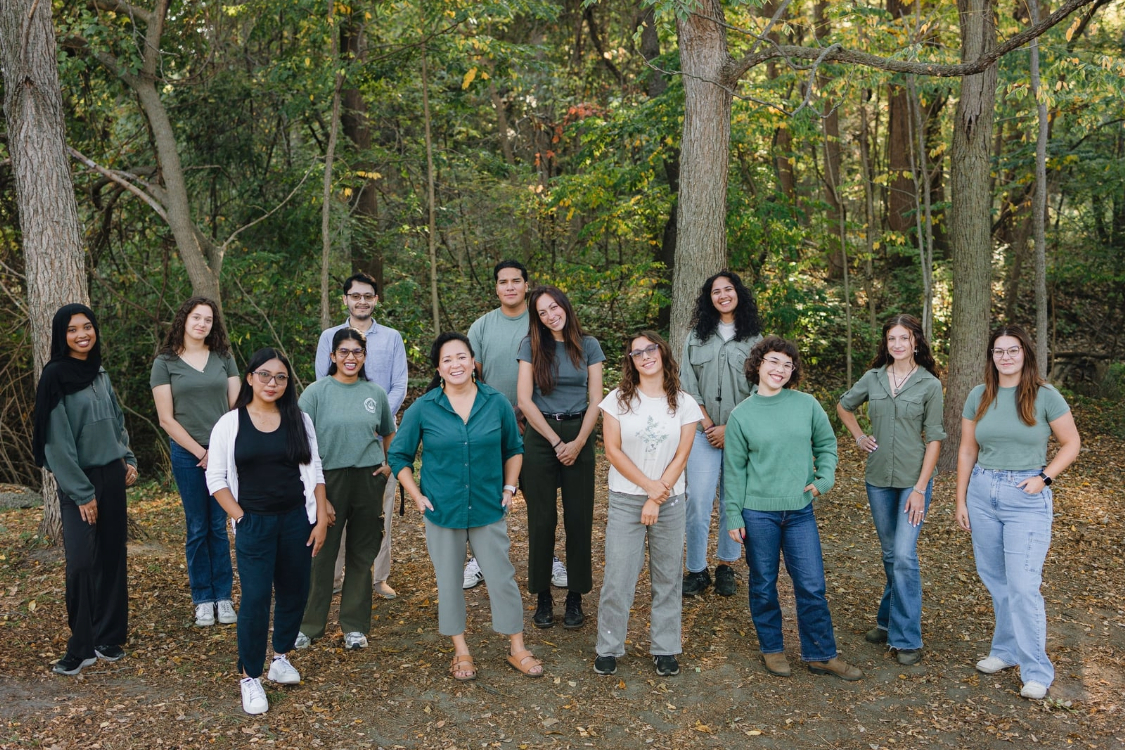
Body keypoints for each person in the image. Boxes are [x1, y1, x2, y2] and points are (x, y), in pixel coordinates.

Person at [388, 333, 543, 680]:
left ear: (474, 362)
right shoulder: (424, 407)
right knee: (449, 580)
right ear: (439, 369)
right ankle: (461, 649)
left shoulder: (496, 402)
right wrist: (416, 494)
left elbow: (514, 447)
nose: (455, 364)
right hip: (442, 510)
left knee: (502, 577)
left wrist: (509, 485)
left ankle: (517, 648)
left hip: (488, 505)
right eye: (447, 360)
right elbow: (398, 455)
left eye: (461, 357)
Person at [724, 337, 862, 681]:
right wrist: (733, 515)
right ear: (758, 364)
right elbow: (734, 470)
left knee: (812, 585)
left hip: (800, 511)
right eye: (773, 361)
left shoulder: (807, 405)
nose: (780, 370)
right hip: (757, 514)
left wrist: (824, 478)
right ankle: (772, 650)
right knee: (763, 584)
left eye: (787, 364)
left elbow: (827, 445)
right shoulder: (741, 415)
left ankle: (820, 654)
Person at [955, 325, 1080, 701]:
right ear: (991, 356)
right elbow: (966, 450)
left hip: (1026, 494)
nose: (1005, 357)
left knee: (1024, 585)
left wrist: (1045, 478)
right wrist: (960, 499)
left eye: (1012, 351)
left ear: (1025, 353)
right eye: (998, 351)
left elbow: (1071, 443)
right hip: (982, 492)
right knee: (996, 579)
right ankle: (1006, 651)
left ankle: (1036, 670)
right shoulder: (979, 395)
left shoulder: (1044, 395)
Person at [206, 348, 330, 715]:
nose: (272, 383)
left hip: (296, 519)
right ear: (249, 378)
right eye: (264, 375)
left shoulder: (299, 419)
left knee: (295, 592)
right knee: (257, 598)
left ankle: (280, 658)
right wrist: (241, 517)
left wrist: (321, 517)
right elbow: (215, 478)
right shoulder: (230, 424)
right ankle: (250, 677)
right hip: (254, 522)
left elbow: (316, 470)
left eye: (280, 377)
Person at [34, 304, 139, 676]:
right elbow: (55, 444)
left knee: (111, 557)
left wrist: (128, 458)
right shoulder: (55, 378)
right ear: (61, 335)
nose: (82, 334)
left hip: (112, 475)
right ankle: (80, 646)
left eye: (88, 327)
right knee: (80, 562)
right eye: (73, 329)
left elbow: (116, 419)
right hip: (78, 481)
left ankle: (107, 637)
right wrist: (81, 493)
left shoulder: (100, 372)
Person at [837, 314, 945, 665]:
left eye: (904, 338)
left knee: (903, 555)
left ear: (916, 342)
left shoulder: (930, 385)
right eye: (891, 339)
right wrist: (858, 436)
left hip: (914, 482)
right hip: (878, 479)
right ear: (886, 344)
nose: (897, 345)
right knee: (889, 555)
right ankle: (886, 621)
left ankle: (907, 637)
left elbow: (934, 440)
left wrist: (920, 487)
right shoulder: (873, 378)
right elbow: (844, 405)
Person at [594, 331, 701, 678]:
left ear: (662, 352)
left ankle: (666, 647)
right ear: (630, 361)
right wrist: (648, 490)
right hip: (626, 499)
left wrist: (659, 494)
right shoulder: (617, 400)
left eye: (650, 349)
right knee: (618, 577)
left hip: (670, 502)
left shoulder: (684, 402)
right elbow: (612, 451)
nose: (644, 356)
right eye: (636, 353)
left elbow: (683, 453)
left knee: (668, 577)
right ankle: (608, 647)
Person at [295, 328, 395, 651]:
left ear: (364, 356)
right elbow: (300, 444)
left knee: (361, 553)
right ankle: (308, 625)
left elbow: (388, 432)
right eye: (344, 351)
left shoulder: (375, 393)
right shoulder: (315, 393)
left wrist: (388, 464)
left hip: (368, 478)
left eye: (357, 352)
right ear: (332, 355)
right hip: (328, 480)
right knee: (320, 554)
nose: (350, 357)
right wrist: (317, 495)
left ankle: (354, 626)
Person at [315, 272, 406, 600]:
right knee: (335, 507)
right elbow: (323, 383)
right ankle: (336, 577)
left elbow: (399, 385)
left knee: (380, 508)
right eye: (356, 296)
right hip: (337, 439)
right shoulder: (329, 337)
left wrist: (376, 418)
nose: (362, 301)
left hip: (381, 437)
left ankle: (378, 577)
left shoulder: (392, 338)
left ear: (376, 299)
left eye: (368, 296)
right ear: (346, 300)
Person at [517, 286, 604, 630]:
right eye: (543, 312)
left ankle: (574, 597)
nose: (551, 314)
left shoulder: (589, 345)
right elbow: (525, 400)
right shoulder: (531, 346)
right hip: (541, 437)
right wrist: (555, 442)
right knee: (542, 519)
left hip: (580, 433)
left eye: (554, 307)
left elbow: (596, 397)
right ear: (537, 318)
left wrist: (580, 440)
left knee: (579, 519)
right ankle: (542, 596)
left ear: (565, 306)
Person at [151, 297, 241, 628]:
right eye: (196, 317)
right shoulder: (165, 362)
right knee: (198, 526)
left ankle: (224, 597)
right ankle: (203, 598)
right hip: (187, 454)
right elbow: (166, 419)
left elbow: (237, 408)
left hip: (223, 452)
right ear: (184, 320)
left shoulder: (223, 359)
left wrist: (218, 451)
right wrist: (201, 453)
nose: (202, 323)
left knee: (219, 525)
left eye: (208, 319)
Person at [681, 271, 763, 597]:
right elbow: (686, 384)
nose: (723, 295)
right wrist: (708, 426)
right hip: (703, 433)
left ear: (738, 293)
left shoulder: (755, 339)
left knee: (734, 501)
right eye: (716, 291)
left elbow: (762, 389)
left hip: (740, 434)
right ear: (709, 298)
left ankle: (727, 566)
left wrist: (731, 428)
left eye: (728, 289)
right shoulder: (695, 337)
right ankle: (697, 569)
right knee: (698, 500)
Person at [462, 259, 532, 590]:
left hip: (537, 421)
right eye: (503, 282)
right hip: (493, 421)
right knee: (489, 491)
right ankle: (480, 558)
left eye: (515, 281)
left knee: (539, 493)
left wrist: (526, 410)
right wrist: (502, 411)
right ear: (496, 288)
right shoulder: (482, 326)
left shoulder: (542, 322)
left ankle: (546, 557)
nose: (509, 287)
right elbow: (472, 375)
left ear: (526, 285)